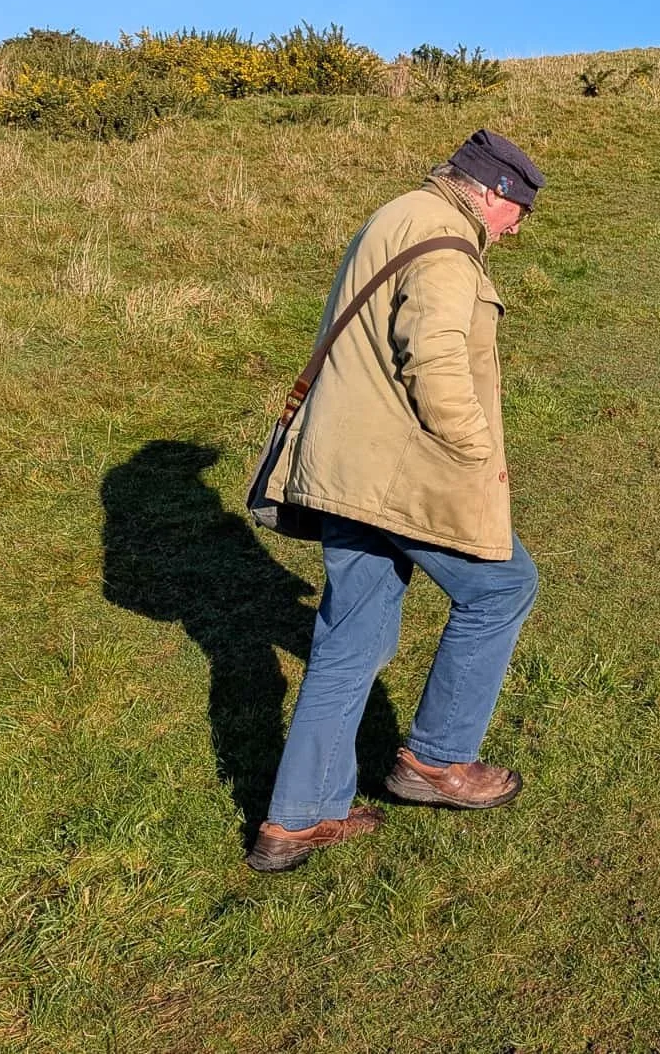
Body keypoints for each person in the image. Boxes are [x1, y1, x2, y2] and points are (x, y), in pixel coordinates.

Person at [246, 129, 546, 874]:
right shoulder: (447, 240)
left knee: (349, 641)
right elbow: (434, 357)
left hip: (347, 466)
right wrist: (478, 454)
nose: (517, 229)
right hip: (396, 473)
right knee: (504, 585)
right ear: (493, 194)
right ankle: (439, 761)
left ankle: (295, 821)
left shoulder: (398, 214)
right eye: (520, 212)